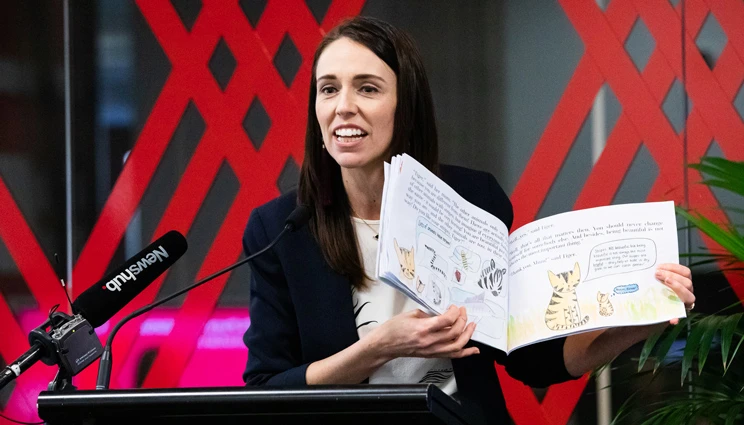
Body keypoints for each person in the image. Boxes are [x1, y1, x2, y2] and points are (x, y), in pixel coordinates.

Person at [241, 16, 695, 424]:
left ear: (406, 106)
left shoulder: (474, 199)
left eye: (368, 88)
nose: (343, 106)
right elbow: (266, 388)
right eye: (328, 88)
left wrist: (644, 318)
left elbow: (530, 359)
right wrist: (377, 348)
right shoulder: (280, 229)